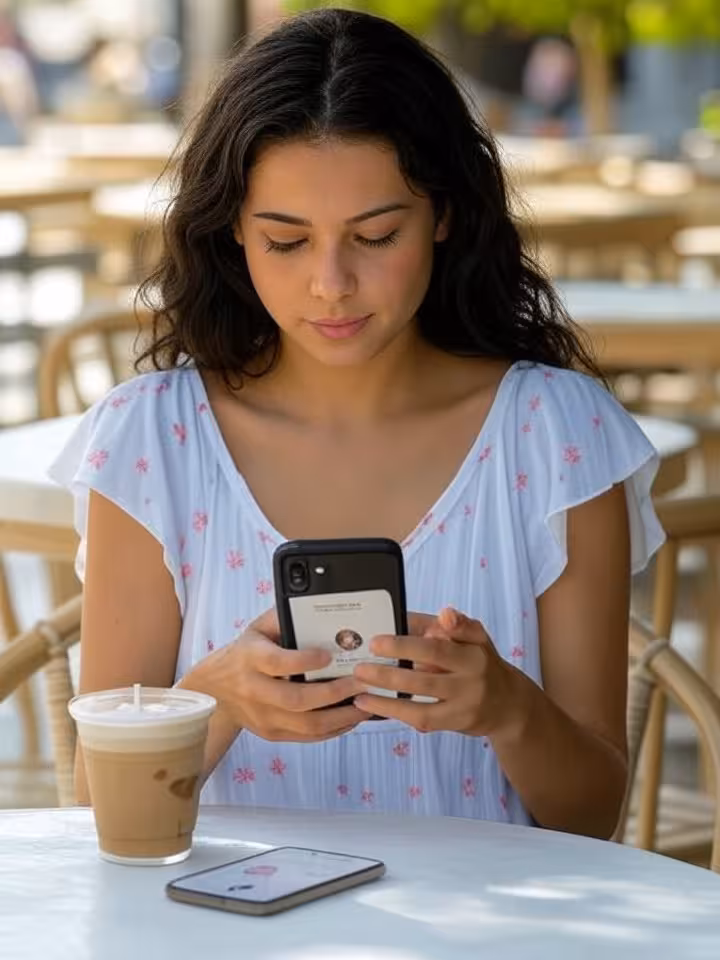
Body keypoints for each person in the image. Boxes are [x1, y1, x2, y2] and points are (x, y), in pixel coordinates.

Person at [50, 8, 664, 838]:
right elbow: (98, 810)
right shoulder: (154, 442)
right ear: (233, 233)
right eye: (286, 241)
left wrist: (507, 708)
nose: (332, 284)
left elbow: (593, 822)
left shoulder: (556, 437)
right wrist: (218, 696)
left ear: (443, 214)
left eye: (376, 235)